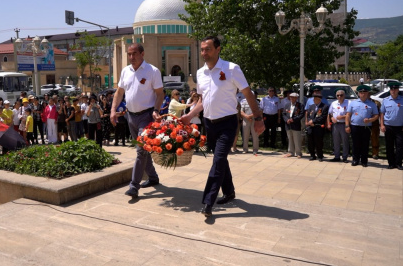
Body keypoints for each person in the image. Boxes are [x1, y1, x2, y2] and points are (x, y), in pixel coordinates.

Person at [180, 36, 264, 217]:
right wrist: (189, 115)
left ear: (218, 49)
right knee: (221, 160)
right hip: (209, 123)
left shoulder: (232, 69)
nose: (204, 53)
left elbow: (248, 93)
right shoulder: (201, 72)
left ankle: (208, 202)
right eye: (202, 49)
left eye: (207, 49)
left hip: (227, 122)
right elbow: (203, 100)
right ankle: (229, 191)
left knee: (217, 161)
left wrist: (258, 117)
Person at [110, 43, 164, 199]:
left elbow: (160, 94)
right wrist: (113, 110)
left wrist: (156, 110)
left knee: (140, 151)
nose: (131, 57)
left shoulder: (152, 71)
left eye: (134, 54)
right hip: (130, 117)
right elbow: (119, 93)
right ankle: (153, 177)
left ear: (142, 54)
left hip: (146, 116)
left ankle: (134, 186)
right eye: (129, 54)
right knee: (143, 150)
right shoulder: (125, 71)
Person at [346, 85, 379, 167]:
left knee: (365, 144)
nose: (363, 94)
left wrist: (370, 120)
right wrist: (347, 125)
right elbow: (348, 115)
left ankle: (364, 161)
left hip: (366, 127)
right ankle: (355, 160)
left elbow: (376, 115)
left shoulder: (372, 104)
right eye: (361, 92)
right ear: (358, 94)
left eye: (364, 92)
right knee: (355, 144)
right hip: (355, 126)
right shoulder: (353, 103)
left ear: (367, 93)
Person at [380, 82, 403, 170]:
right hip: (388, 126)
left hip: (400, 127)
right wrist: (382, 125)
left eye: (395, 89)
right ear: (390, 90)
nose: (393, 91)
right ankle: (391, 163)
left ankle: (398, 164)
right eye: (391, 89)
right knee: (389, 146)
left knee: (400, 146)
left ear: (398, 90)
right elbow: (382, 113)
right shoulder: (385, 100)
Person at [327, 89, 350, 163]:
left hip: (344, 124)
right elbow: (330, 113)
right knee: (336, 141)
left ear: (344, 96)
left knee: (345, 141)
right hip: (335, 125)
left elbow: (350, 114)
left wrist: (342, 117)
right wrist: (331, 118)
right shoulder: (334, 103)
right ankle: (337, 156)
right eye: (338, 95)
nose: (339, 96)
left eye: (341, 95)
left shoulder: (349, 103)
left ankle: (345, 157)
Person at [305, 93, 329, 161]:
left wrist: (313, 121)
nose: (314, 100)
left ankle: (320, 156)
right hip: (310, 127)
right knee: (310, 142)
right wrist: (310, 121)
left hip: (318, 127)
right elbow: (309, 115)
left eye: (315, 99)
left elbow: (322, 117)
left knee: (319, 142)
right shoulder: (311, 106)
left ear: (319, 99)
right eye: (313, 99)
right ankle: (312, 155)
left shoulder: (324, 107)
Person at [281, 93, 305, 158]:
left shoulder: (300, 105)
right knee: (290, 138)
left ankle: (298, 153)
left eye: (294, 97)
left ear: (296, 98)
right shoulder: (287, 105)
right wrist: (287, 120)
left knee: (297, 139)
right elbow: (283, 114)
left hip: (296, 124)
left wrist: (293, 120)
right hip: (288, 125)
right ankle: (290, 152)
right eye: (291, 97)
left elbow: (301, 114)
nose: (292, 98)